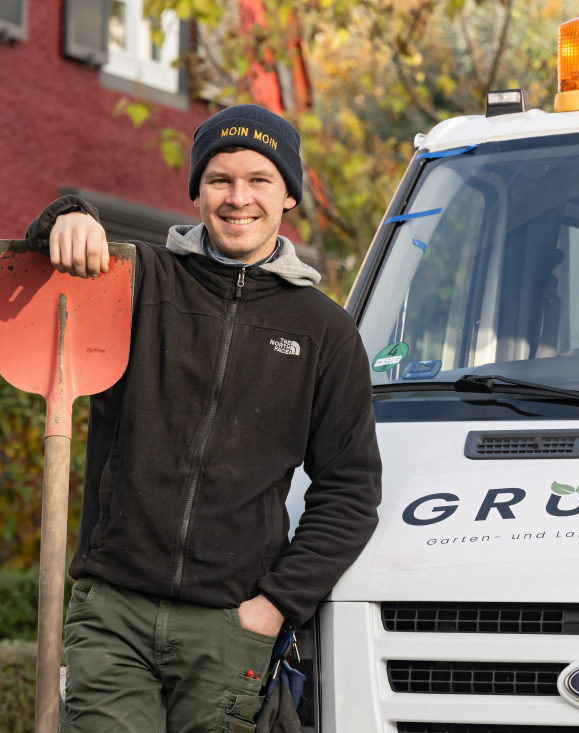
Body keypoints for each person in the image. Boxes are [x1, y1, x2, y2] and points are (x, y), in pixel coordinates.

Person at [23, 104, 382, 732]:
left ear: (288, 195)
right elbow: (42, 266)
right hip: (114, 617)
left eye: (259, 180)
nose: (237, 198)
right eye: (219, 180)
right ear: (196, 192)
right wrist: (67, 216)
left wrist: (276, 606)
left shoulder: (325, 332)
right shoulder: (136, 283)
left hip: (228, 629)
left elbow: (350, 492)